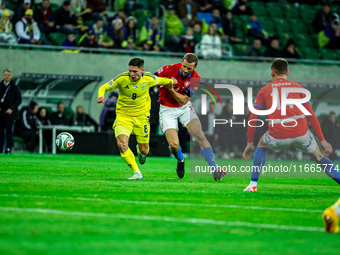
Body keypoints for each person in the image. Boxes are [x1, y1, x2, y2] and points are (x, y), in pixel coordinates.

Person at [242, 58, 340, 192]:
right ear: (287, 72)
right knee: (318, 157)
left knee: (261, 145)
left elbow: (253, 117)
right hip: (301, 133)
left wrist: (249, 143)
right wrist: (322, 140)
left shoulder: (264, 90)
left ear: (272, 73)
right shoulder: (299, 88)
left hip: (277, 135)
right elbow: (311, 115)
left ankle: (253, 184)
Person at [96, 57, 175, 180]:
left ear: (142, 70)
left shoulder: (149, 78)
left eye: (135, 71)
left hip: (142, 118)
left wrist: (172, 82)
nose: (131, 74)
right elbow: (104, 87)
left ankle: (140, 152)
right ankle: (137, 172)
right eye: (130, 71)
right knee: (122, 144)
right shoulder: (122, 78)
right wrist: (101, 96)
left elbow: (163, 81)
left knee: (144, 151)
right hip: (123, 116)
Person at [155, 53, 221, 180]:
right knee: (174, 146)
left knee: (200, 135)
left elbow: (184, 101)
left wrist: (170, 89)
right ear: (182, 62)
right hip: (167, 109)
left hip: (184, 108)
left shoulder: (195, 79)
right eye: (184, 66)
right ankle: (181, 159)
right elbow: (152, 79)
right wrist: (164, 81)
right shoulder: (169, 68)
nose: (185, 70)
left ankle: (214, 169)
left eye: (189, 68)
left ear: (195, 67)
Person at [0, 69, 22, 154]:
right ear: (3, 75)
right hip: (1, 113)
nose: (7, 76)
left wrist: (12, 108)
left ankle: (8, 148)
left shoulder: (15, 87)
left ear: (11, 76)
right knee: (0, 131)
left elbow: (19, 100)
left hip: (10, 114)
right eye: (5, 74)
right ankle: (0, 148)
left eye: (9, 75)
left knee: (9, 132)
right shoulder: (0, 85)